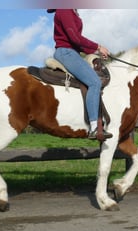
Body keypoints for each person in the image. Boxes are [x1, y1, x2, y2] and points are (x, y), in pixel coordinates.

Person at [47, 9, 113, 140]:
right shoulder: (65, 10)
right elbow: (75, 38)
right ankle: (94, 127)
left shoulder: (71, 11)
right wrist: (98, 46)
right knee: (95, 82)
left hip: (72, 52)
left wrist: (96, 51)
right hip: (66, 53)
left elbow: (77, 43)